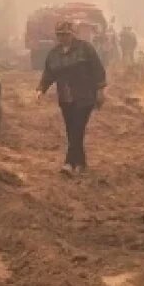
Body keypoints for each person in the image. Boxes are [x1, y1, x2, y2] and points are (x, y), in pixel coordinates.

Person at [37, 20, 106, 175]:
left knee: (77, 128)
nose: (63, 38)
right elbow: (49, 73)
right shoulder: (54, 54)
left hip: (85, 96)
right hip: (65, 98)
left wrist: (100, 91)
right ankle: (81, 163)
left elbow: (98, 70)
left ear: (72, 34)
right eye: (59, 35)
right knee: (71, 131)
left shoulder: (85, 49)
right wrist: (41, 89)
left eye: (66, 34)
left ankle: (68, 163)